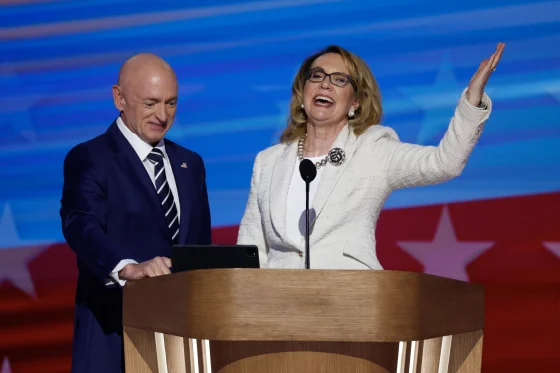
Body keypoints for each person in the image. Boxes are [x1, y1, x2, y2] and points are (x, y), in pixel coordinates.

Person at [237, 43, 505, 270]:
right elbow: (250, 250)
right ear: (302, 92)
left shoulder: (373, 150)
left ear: (355, 102)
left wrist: (472, 101)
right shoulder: (268, 162)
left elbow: (444, 163)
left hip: (352, 305)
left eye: (340, 79)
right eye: (316, 76)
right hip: (276, 311)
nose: (325, 84)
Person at [59, 53, 212, 372]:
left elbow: (200, 249)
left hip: (179, 341)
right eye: (151, 103)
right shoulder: (90, 158)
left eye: (171, 103)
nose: (163, 115)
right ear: (119, 98)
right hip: (114, 335)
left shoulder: (191, 164)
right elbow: (81, 225)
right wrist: (127, 269)